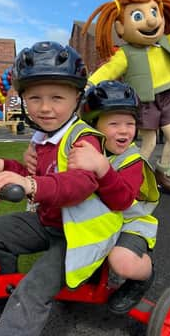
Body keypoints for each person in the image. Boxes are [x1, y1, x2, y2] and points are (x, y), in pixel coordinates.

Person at [0, 42, 140, 336]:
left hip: (80, 233)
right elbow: (36, 173)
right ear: (24, 98)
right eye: (35, 97)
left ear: (77, 98)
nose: (44, 107)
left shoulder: (84, 140)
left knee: (33, 290)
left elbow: (78, 184)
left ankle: (14, 326)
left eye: (56, 97)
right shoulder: (44, 137)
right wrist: (2, 163)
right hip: (51, 222)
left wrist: (31, 185)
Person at [23, 80, 159, 315]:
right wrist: (32, 155)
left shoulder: (132, 161)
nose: (125, 130)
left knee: (122, 261)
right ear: (94, 126)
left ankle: (143, 277)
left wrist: (103, 168)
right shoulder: (86, 147)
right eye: (114, 123)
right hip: (102, 221)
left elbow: (122, 202)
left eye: (130, 123)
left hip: (129, 223)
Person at [81, 0, 170, 192]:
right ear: (120, 27)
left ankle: (162, 169)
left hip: (167, 97)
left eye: (154, 12)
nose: (151, 20)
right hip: (144, 100)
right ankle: (133, 174)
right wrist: (89, 83)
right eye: (138, 15)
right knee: (149, 141)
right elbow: (109, 69)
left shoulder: (166, 42)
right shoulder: (125, 53)